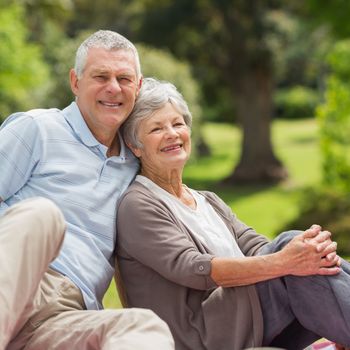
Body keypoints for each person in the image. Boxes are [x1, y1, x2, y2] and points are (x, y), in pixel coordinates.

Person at [116, 77, 350, 350]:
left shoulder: (207, 200)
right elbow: (194, 269)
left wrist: (305, 251)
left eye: (178, 124)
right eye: (156, 128)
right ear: (135, 146)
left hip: (247, 317)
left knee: (298, 248)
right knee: (290, 250)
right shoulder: (138, 205)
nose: (172, 133)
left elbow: (255, 245)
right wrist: (287, 260)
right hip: (204, 335)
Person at [0, 31, 174, 350]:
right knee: (42, 215)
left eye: (124, 78)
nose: (113, 88)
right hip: (12, 280)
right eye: (101, 76)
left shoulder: (135, 164)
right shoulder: (38, 128)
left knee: (145, 327)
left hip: (63, 316)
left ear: (138, 86)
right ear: (75, 82)